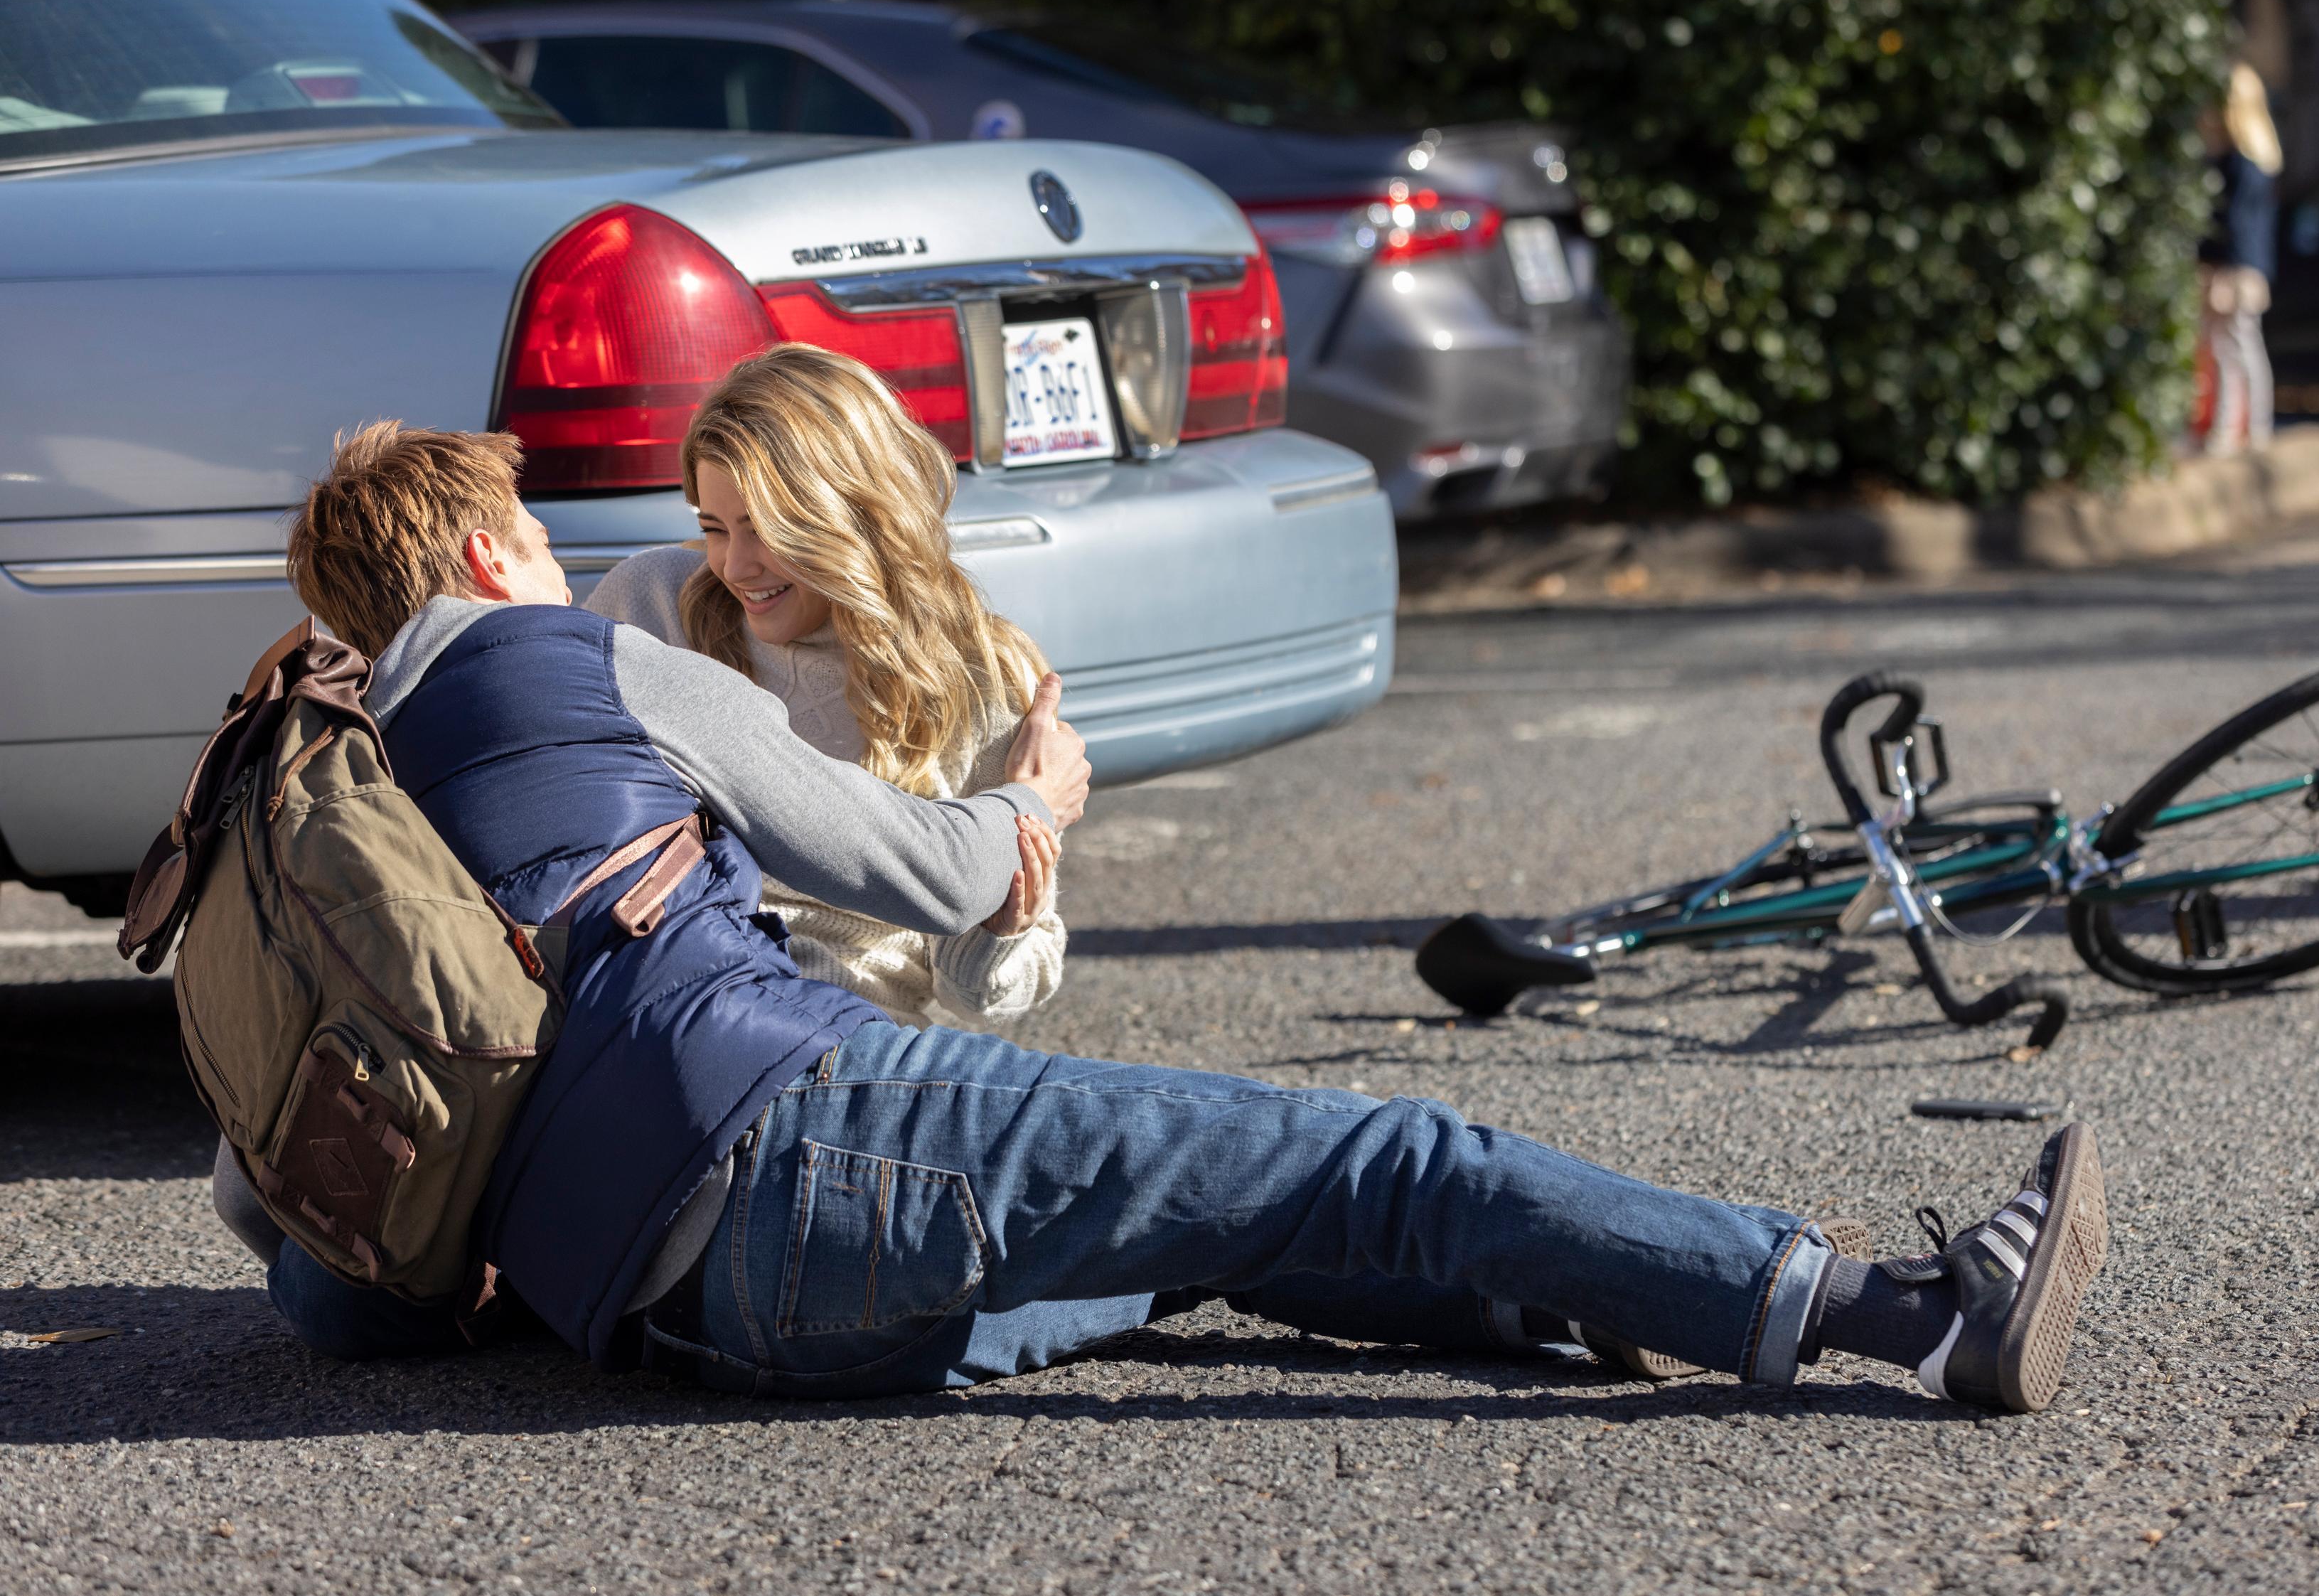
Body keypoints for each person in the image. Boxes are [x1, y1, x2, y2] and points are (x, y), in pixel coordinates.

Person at [216, 414, 2108, 1415]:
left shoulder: (334, 794)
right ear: (484, 554)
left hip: (691, 1320)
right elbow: (936, 873)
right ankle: (1910, 1312)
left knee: (1222, 1221)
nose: (563, 565)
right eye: (536, 542)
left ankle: (1551, 1284)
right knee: (1373, 1155)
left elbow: (281, 1222)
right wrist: (1036, 797)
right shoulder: (568, 661)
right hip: (801, 1144)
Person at [587, 346, 1063, 1032]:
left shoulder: (979, 680)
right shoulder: (652, 605)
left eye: (768, 531)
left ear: (856, 516)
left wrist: (1001, 925)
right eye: (713, 529)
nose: (734, 566)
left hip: (849, 1041)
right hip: (662, 1009)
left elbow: (974, 995)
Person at [2197, 60, 2283, 456]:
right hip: (2238, 265)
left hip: (2235, 268)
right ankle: (2235, 428)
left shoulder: (2242, 164)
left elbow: (2232, 223)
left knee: (2238, 346)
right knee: (2229, 348)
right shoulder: (2255, 159)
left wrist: (2219, 270)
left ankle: (2251, 428)